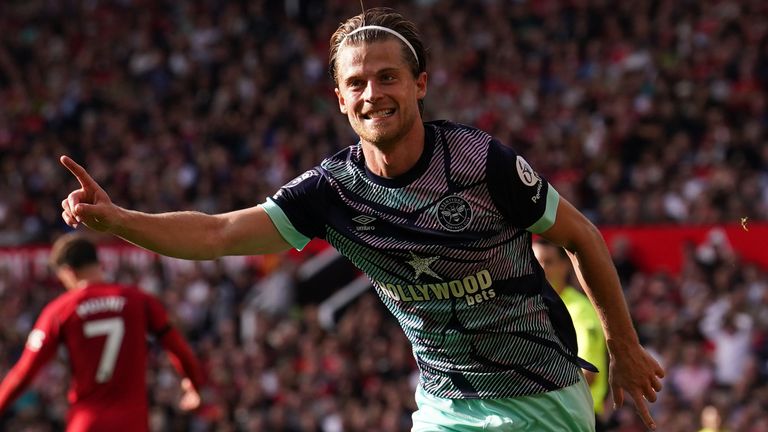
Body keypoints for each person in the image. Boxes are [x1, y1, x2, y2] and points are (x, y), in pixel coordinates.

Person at [59, 7, 664, 431]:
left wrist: (624, 344)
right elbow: (218, 232)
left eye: (388, 77)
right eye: (358, 83)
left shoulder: (481, 162)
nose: (373, 92)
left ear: (420, 84)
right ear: (340, 99)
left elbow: (581, 236)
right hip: (445, 406)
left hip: (541, 398)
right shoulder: (332, 191)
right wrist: (119, 221)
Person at [0, 233, 205, 431]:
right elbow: (179, 349)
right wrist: (193, 384)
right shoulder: (139, 300)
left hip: (88, 422)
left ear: (68, 272)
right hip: (132, 424)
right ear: (98, 263)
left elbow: (23, 372)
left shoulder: (60, 310)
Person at [532, 239, 609, 429]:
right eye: (534, 262)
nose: (541, 268)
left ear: (565, 265)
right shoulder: (526, 307)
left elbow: (588, 373)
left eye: (548, 262)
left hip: (575, 418)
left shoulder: (580, 311)